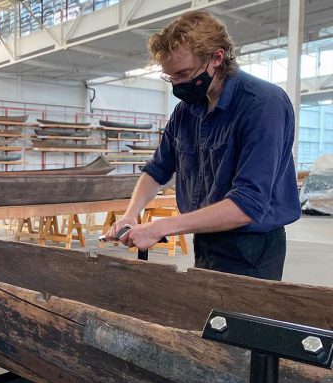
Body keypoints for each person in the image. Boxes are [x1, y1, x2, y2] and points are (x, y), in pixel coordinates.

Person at [107, 10, 300, 281]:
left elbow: (247, 205)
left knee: (240, 322)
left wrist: (161, 228)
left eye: (184, 74)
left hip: (251, 249)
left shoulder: (262, 104)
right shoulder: (186, 112)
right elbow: (157, 170)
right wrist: (131, 214)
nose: (177, 84)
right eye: (170, 77)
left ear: (217, 58)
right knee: (209, 318)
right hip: (206, 238)